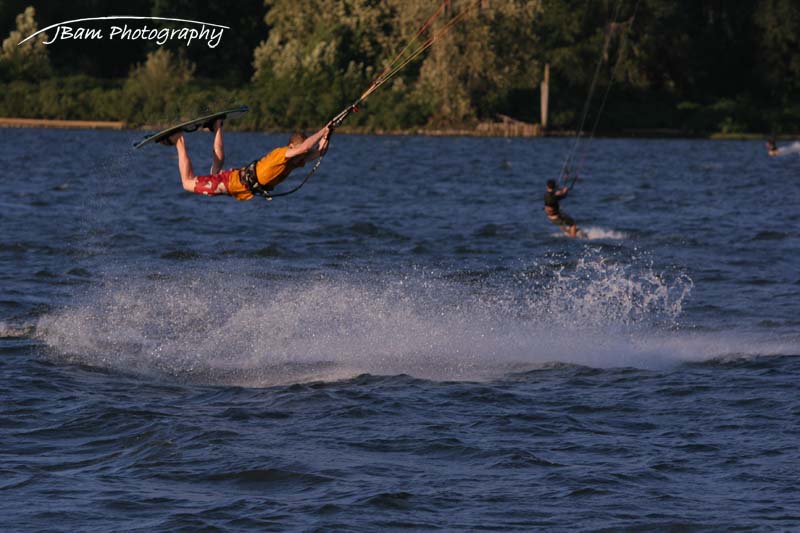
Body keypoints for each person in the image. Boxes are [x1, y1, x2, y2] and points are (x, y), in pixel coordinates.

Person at [161, 119, 330, 200]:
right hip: (233, 182)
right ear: (291, 146)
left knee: (215, 172)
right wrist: (323, 130)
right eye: (298, 151)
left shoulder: (295, 161)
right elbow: (307, 148)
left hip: (237, 183)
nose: (301, 155)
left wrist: (329, 133)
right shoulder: (283, 154)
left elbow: (318, 152)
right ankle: (178, 139)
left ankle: (217, 125)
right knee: (187, 182)